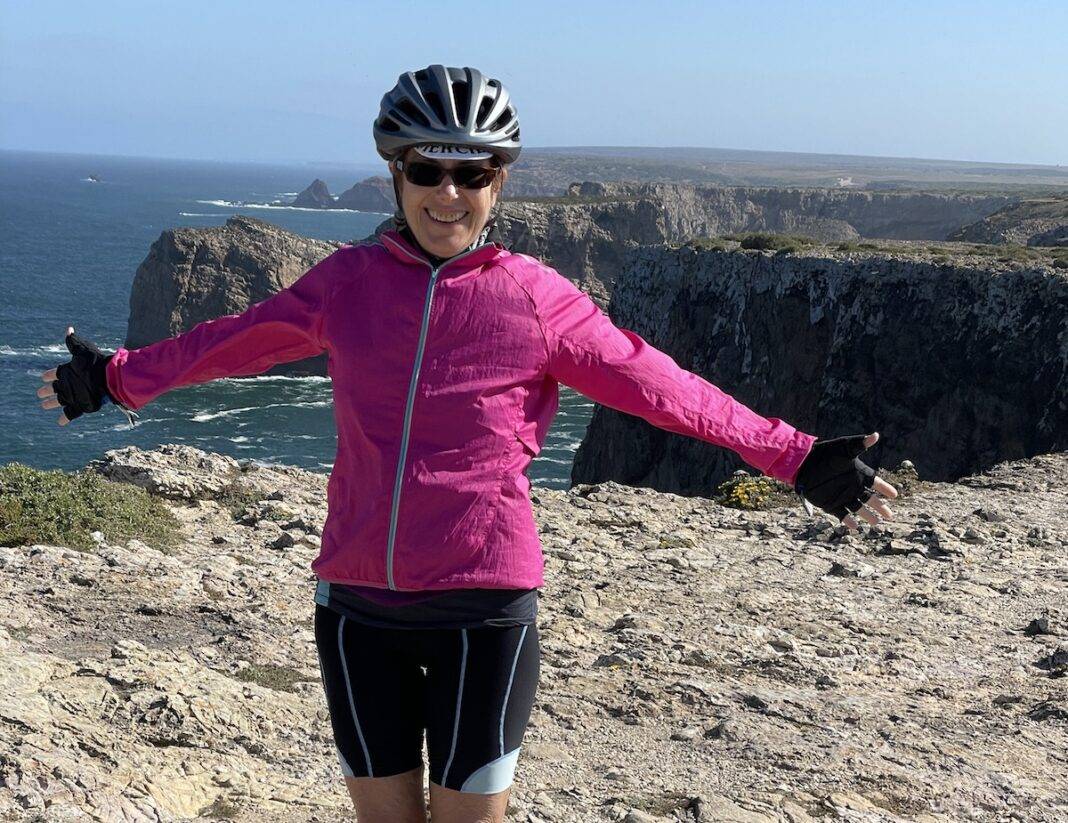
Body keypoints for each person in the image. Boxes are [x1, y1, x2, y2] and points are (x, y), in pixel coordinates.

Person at [37, 64, 897, 823]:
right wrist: (116, 378)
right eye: (427, 169)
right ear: (395, 174)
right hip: (356, 609)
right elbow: (238, 339)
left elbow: (659, 384)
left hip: (484, 612)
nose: (448, 192)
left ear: (499, 182)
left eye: (471, 172)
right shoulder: (347, 285)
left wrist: (792, 453)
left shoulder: (536, 298)